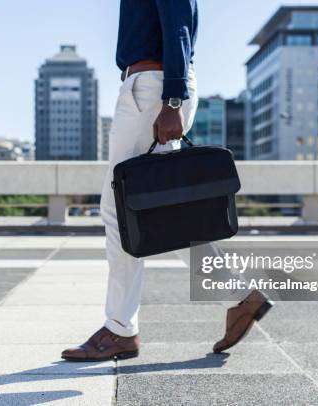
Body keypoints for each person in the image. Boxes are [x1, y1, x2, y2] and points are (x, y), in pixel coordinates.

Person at [61, 0, 272, 362]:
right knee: (164, 214)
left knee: (119, 212)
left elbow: (178, 27)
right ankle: (238, 298)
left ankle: (120, 329)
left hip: (154, 86)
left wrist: (172, 99)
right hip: (150, 84)